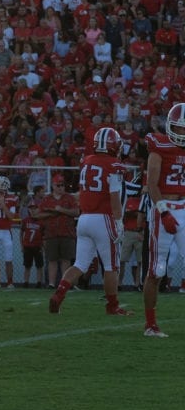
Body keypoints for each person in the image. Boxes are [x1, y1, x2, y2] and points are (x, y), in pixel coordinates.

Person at [49, 127, 130, 317]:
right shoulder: (114, 165)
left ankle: (58, 294)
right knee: (111, 266)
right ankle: (112, 306)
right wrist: (119, 222)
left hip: (84, 218)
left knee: (80, 264)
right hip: (104, 218)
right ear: (114, 145)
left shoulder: (86, 161)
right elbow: (114, 198)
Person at [139, 105, 185, 338]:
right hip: (163, 208)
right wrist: (164, 212)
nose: (183, 131)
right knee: (156, 271)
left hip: (184, 208)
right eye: (179, 127)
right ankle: (150, 324)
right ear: (170, 125)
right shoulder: (160, 146)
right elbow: (152, 185)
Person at [36, 174, 78, 288]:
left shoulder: (70, 198)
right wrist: (53, 212)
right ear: (53, 186)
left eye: (63, 185)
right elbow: (38, 215)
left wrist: (62, 210)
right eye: (58, 185)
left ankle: (64, 284)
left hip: (67, 233)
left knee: (66, 260)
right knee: (52, 260)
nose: (61, 187)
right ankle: (51, 284)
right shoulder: (47, 199)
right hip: (51, 233)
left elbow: (77, 212)